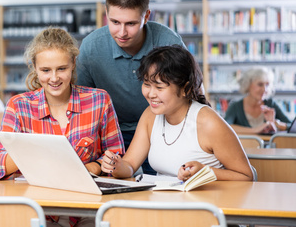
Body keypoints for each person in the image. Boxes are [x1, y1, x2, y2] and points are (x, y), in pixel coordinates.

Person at [0, 28, 124, 227]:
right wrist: (29, 149)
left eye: (62, 68)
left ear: (73, 64)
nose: (54, 78)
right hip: (39, 210)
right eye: (46, 70)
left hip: (88, 211)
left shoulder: (99, 100)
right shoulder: (19, 105)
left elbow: (116, 155)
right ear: (35, 68)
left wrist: (94, 167)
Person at [77, 0, 185, 175]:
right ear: (106, 14)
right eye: (115, 22)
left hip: (162, 132)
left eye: (131, 23)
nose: (122, 32)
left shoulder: (169, 42)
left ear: (146, 17)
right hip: (112, 137)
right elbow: (81, 102)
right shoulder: (91, 47)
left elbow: (191, 96)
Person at [101, 45, 253, 183]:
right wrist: (117, 165)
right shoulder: (150, 116)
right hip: (164, 203)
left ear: (185, 89)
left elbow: (246, 176)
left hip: (204, 206)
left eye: (159, 87)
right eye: (147, 84)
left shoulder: (208, 123)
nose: (151, 94)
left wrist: (205, 172)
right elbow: (130, 165)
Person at [224, 67, 291, 135]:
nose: (265, 89)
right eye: (260, 84)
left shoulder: (271, 104)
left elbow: (291, 126)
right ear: (248, 85)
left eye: (267, 85)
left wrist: (277, 124)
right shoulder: (235, 107)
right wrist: (255, 130)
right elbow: (225, 127)